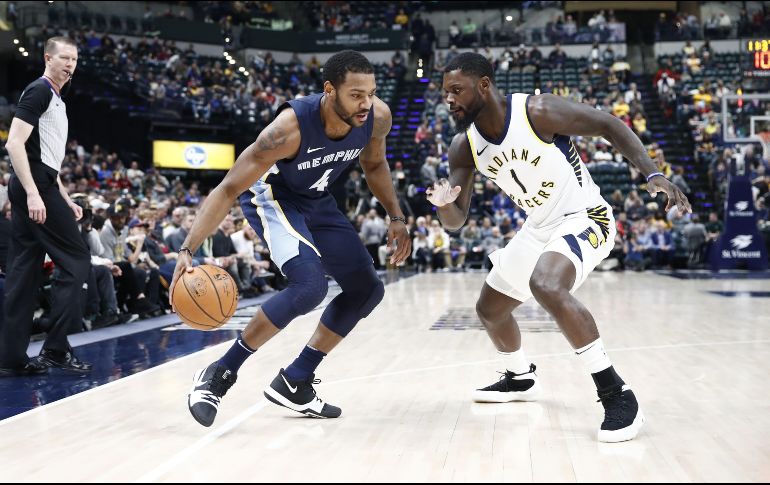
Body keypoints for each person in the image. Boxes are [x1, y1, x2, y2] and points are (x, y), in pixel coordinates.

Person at [427, 53, 691, 442]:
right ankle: (519, 377)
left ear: (484, 85)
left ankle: (616, 393)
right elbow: (456, 221)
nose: (448, 100)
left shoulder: (537, 110)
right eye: (444, 92)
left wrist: (652, 173)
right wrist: (446, 205)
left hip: (586, 216)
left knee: (546, 284)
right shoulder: (463, 147)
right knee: (490, 309)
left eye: (456, 90)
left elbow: (608, 123)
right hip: (539, 227)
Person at [170, 50, 411, 426]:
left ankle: (295, 380)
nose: (366, 103)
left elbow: (375, 164)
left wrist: (395, 216)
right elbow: (229, 188)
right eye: (356, 95)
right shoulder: (286, 129)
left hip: (317, 200)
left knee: (367, 289)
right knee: (309, 287)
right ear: (330, 90)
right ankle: (219, 374)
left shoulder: (376, 116)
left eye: (371, 93)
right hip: (274, 199)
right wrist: (188, 248)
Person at [0, 37, 92, 377]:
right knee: (78, 261)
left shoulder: (55, 98)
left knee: (24, 273)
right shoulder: (39, 90)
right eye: (64, 58)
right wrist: (34, 193)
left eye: (74, 59)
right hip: (33, 187)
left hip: (40, 183)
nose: (70, 64)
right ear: (47, 58)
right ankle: (55, 348)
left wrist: (64, 197)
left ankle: (9, 358)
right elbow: (14, 143)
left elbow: (46, 158)